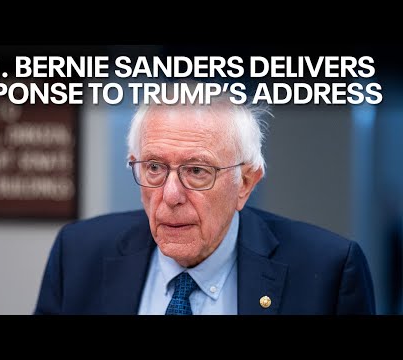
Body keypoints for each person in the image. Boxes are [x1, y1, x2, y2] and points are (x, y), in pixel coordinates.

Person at [34, 85, 376, 315]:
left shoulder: (327, 271)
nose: (170, 196)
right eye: (154, 167)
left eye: (197, 171)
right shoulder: (78, 254)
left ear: (245, 182)